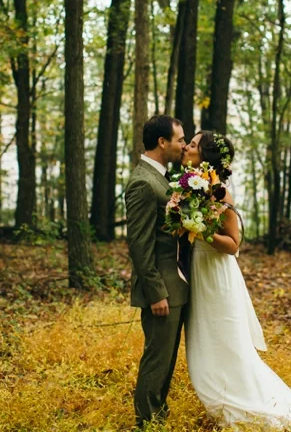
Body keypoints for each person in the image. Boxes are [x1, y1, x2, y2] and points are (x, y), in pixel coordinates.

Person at [183, 130, 291, 430]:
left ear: (206, 156)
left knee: (227, 345)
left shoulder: (219, 193)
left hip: (217, 274)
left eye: (193, 144)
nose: (186, 146)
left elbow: (233, 243)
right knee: (204, 343)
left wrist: (198, 230)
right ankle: (222, 397)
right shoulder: (190, 187)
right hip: (199, 270)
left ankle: (250, 405)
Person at [124, 115, 188, 429]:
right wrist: (156, 292)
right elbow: (138, 243)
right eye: (180, 139)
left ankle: (158, 418)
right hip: (161, 289)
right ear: (162, 142)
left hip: (174, 286)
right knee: (156, 360)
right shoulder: (142, 182)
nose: (184, 145)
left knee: (167, 361)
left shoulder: (160, 178)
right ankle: (147, 422)